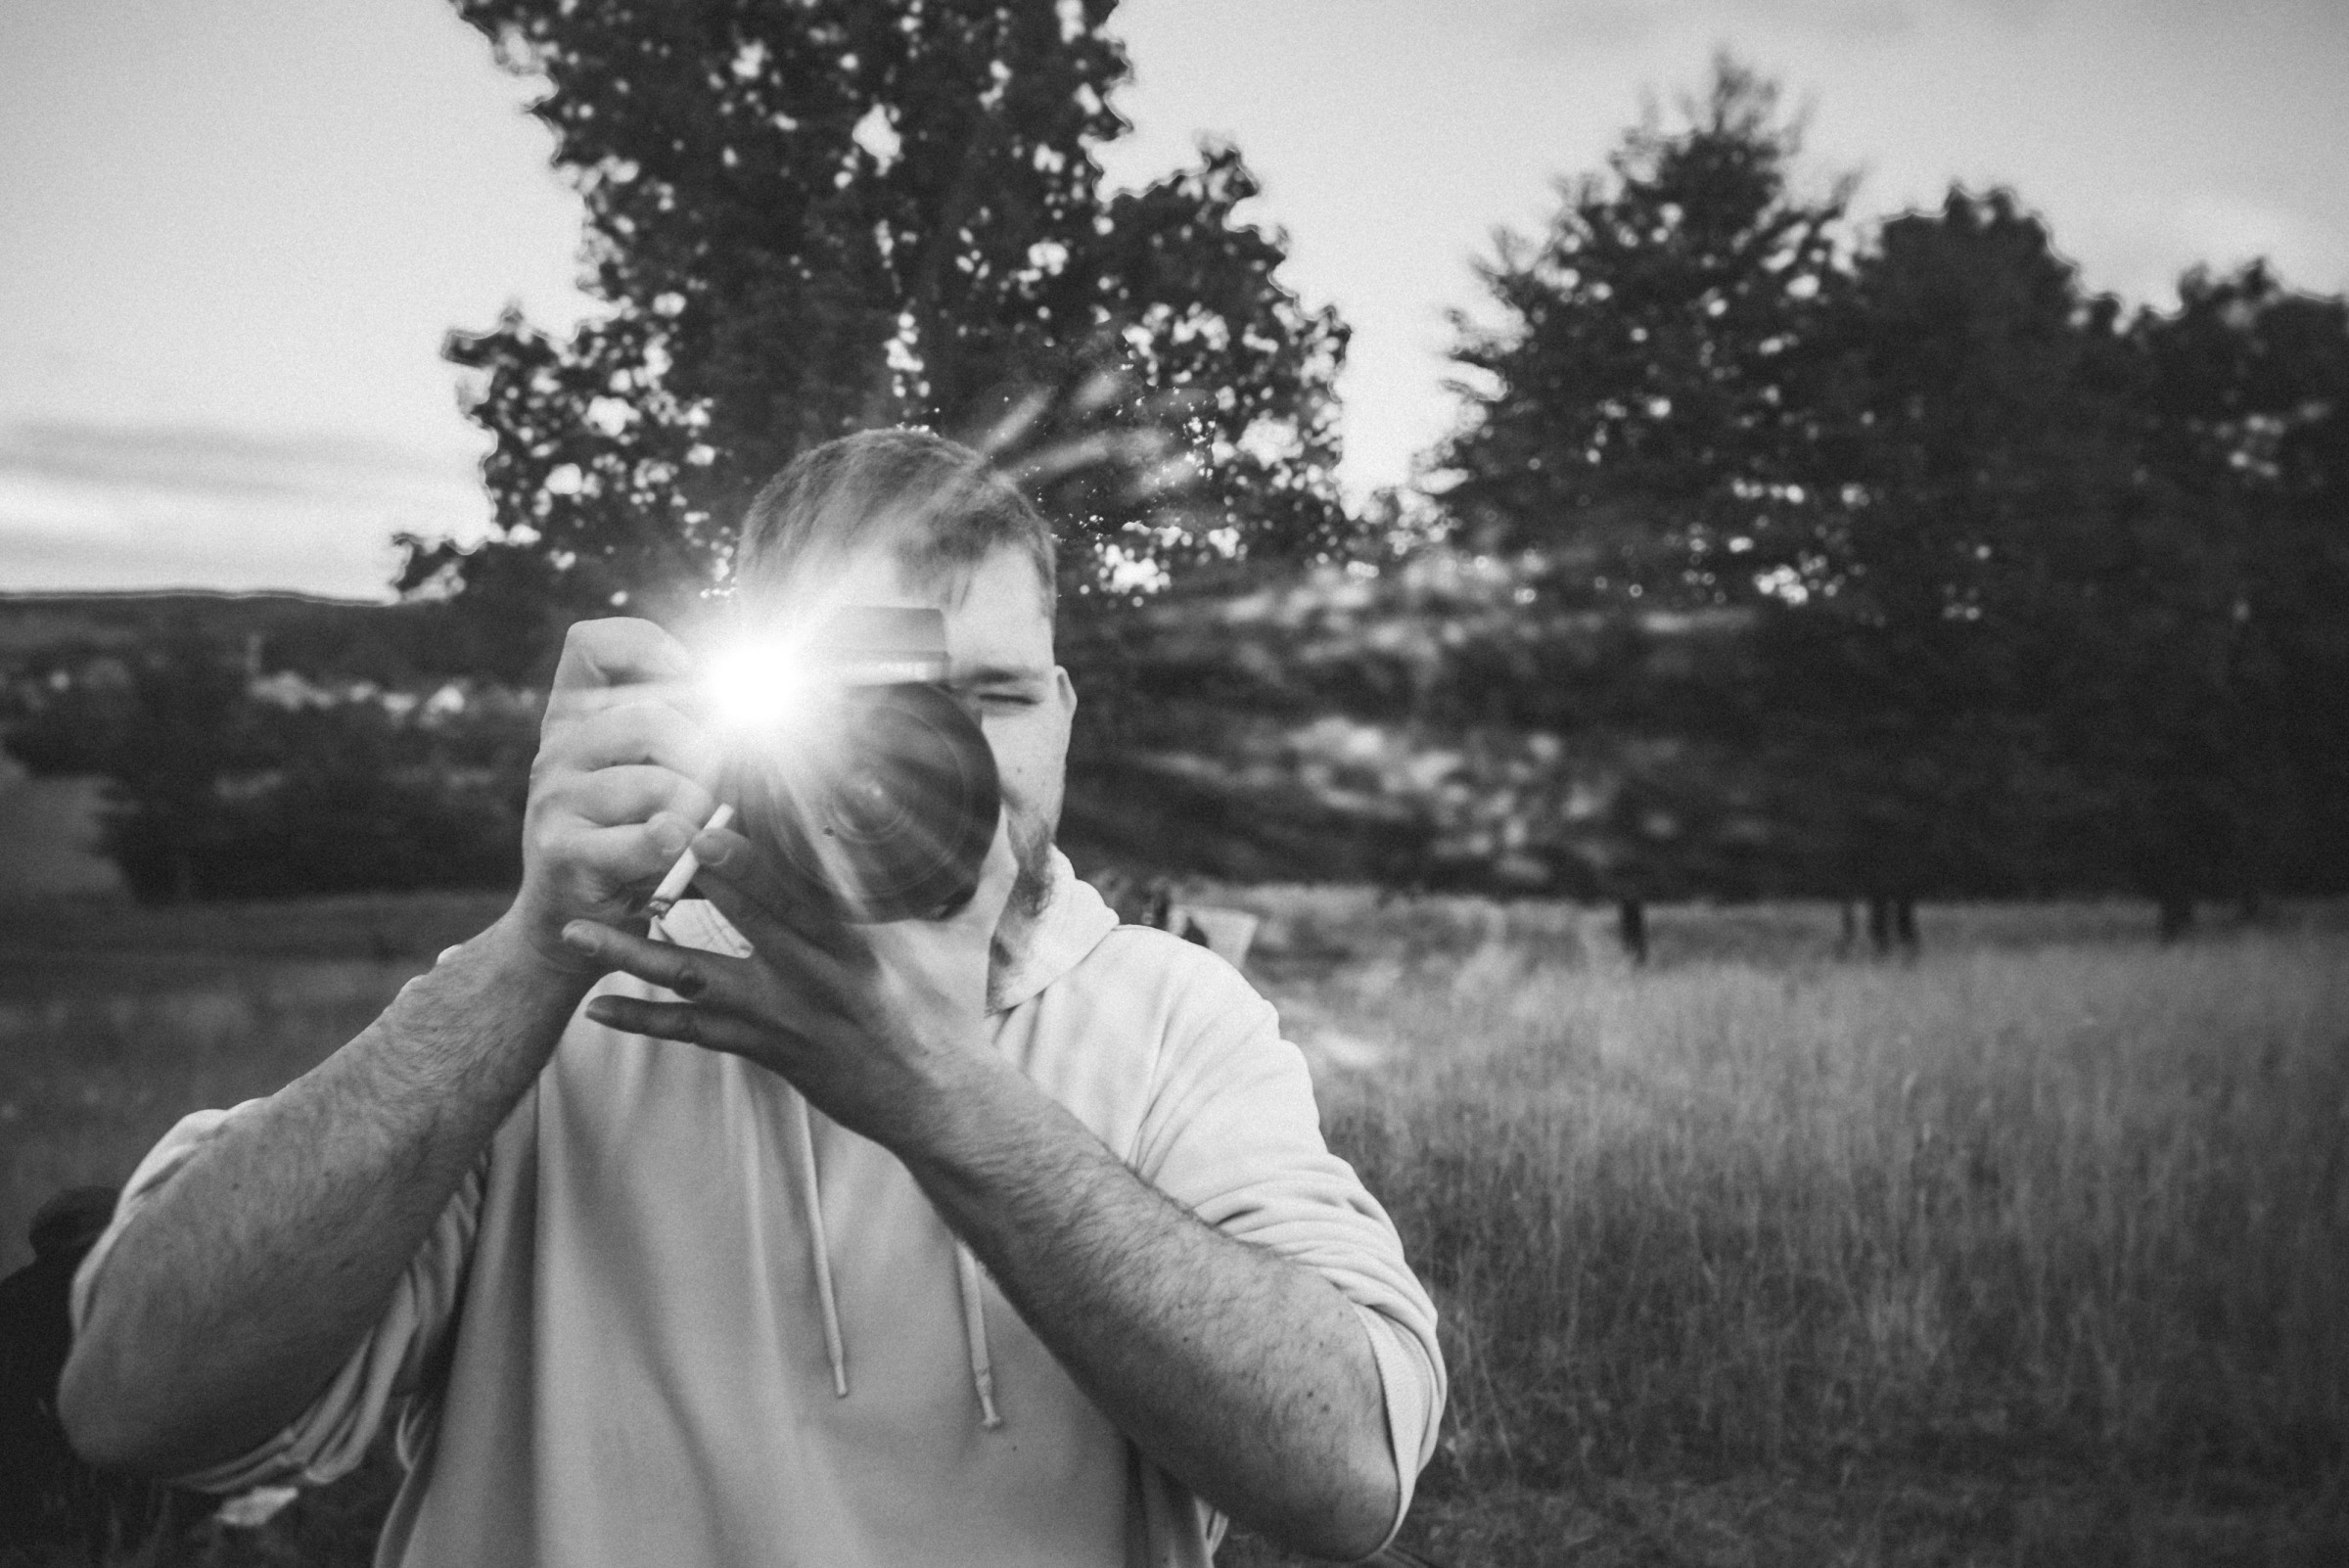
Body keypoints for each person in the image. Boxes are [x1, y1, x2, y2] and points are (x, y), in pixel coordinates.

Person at [58, 429, 1446, 1567]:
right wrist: (541, 946)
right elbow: (132, 1398)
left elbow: (1349, 1473)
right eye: (874, 699)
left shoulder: (1169, 1014)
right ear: (745, 718)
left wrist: (936, 1091)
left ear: (1068, 714)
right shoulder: (558, 1006)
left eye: (1000, 695)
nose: (939, 754)